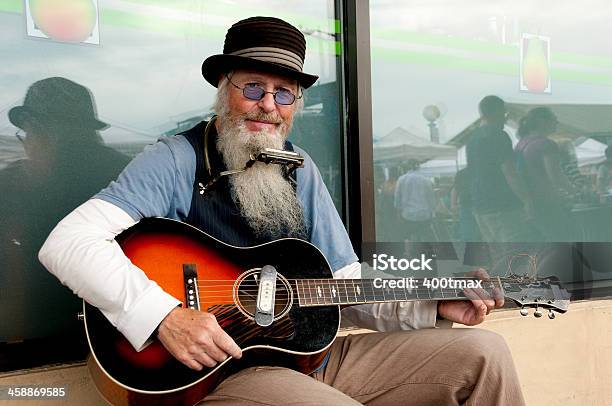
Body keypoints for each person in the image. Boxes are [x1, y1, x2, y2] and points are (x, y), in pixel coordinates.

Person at [38, 17, 524, 405]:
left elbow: (343, 281)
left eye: (283, 93)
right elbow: (68, 244)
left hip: (307, 357)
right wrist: (165, 316)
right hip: (219, 374)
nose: (267, 105)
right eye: (252, 87)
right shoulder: (178, 157)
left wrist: (431, 302)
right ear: (224, 88)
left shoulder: (299, 168)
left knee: (485, 353)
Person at [0, 77, 130, 344]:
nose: (27, 143)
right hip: (120, 333)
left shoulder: (26, 186)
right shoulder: (126, 174)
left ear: (46, 134)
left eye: (28, 133)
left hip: (51, 332)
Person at [466, 95, 534, 244]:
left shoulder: (472, 139)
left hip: (480, 205)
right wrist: (527, 199)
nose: (505, 119)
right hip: (503, 205)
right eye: (504, 114)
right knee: (515, 254)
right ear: (495, 112)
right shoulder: (498, 135)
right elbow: (510, 172)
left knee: (497, 257)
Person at [515, 107, 575, 241]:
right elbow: (556, 177)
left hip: (529, 203)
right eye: (554, 120)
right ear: (542, 121)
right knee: (563, 240)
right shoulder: (546, 144)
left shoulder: (521, 144)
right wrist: (576, 192)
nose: (556, 123)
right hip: (548, 202)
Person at [394, 159, 436, 243]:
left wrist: (398, 213)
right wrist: (432, 212)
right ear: (418, 167)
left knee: (407, 237)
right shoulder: (426, 180)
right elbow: (431, 199)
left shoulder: (401, 179)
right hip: (424, 215)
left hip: (408, 215)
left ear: (406, 168)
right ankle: (429, 253)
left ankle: (409, 254)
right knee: (425, 237)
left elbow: (397, 198)